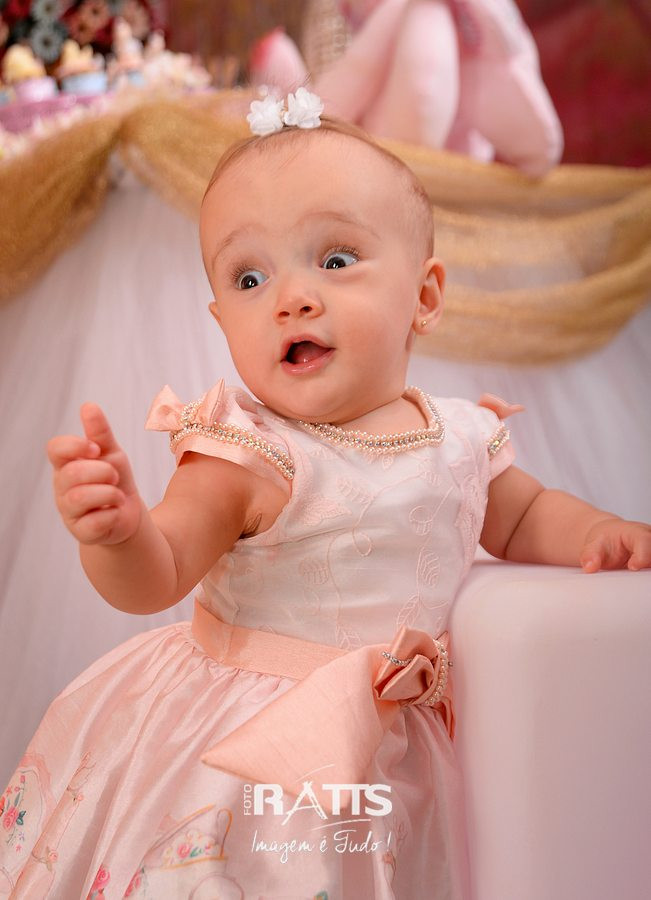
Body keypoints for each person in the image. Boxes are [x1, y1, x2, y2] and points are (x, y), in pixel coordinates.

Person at [1, 91, 649, 900]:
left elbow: (520, 516)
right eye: (249, 277)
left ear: (424, 296)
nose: (292, 297)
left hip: (394, 749)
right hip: (248, 752)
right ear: (221, 320)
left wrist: (597, 532)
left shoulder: (458, 435)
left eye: (335, 261)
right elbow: (158, 572)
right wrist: (119, 534)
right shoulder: (249, 453)